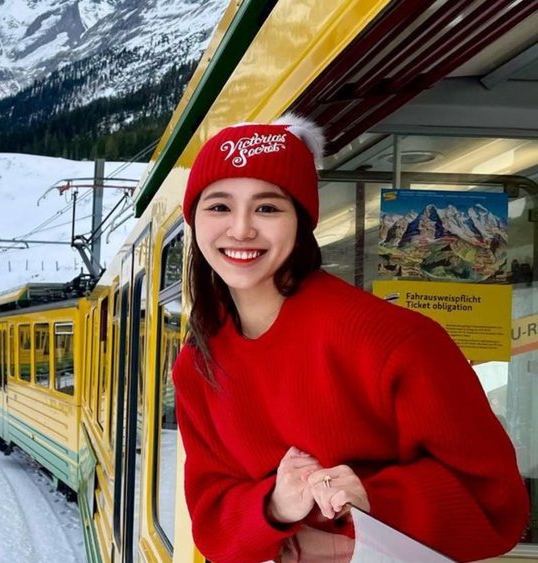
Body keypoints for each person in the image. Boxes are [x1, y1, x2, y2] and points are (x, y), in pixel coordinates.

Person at [172, 114, 529, 562]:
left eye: (267, 208)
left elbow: (496, 505)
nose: (241, 229)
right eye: (219, 207)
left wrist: (373, 499)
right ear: (195, 219)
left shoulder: (394, 341)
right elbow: (211, 523)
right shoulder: (198, 363)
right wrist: (275, 504)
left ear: (300, 221)